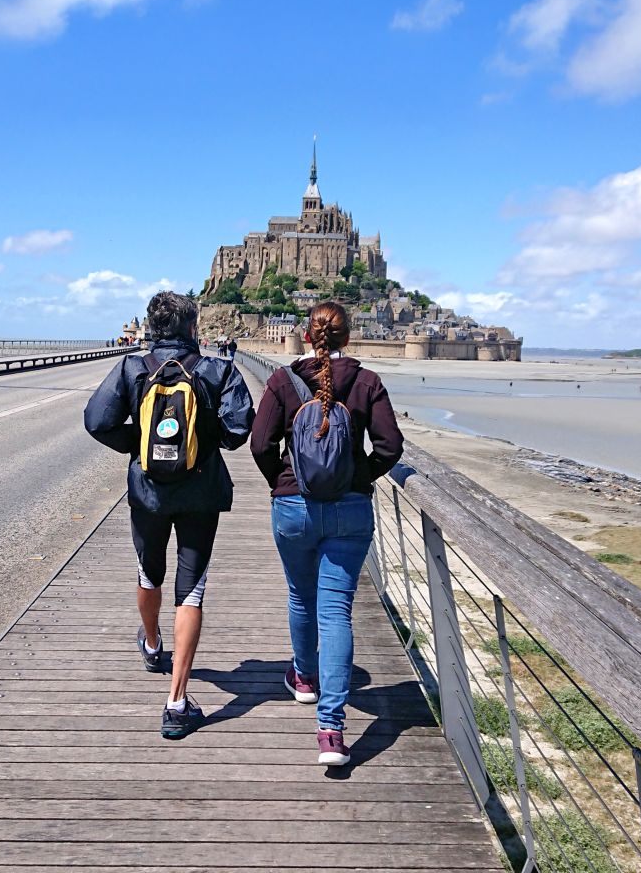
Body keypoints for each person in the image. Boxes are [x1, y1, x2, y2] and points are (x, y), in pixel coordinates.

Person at [84, 291, 255, 739]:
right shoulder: (218, 370)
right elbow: (239, 430)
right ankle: (177, 704)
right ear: (192, 327)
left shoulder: (131, 368)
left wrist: (140, 446)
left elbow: (96, 421)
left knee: (148, 574)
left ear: (151, 327)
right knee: (191, 591)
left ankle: (153, 643)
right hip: (200, 493)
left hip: (148, 493)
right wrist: (201, 440)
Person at [250, 301, 403, 766]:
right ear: (347, 339)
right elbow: (390, 447)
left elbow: (260, 444)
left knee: (300, 596)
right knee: (336, 612)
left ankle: (304, 678)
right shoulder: (367, 381)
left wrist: (282, 481)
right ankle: (331, 731)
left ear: (305, 336)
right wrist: (359, 478)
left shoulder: (282, 381)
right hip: (349, 511)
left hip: (293, 507)